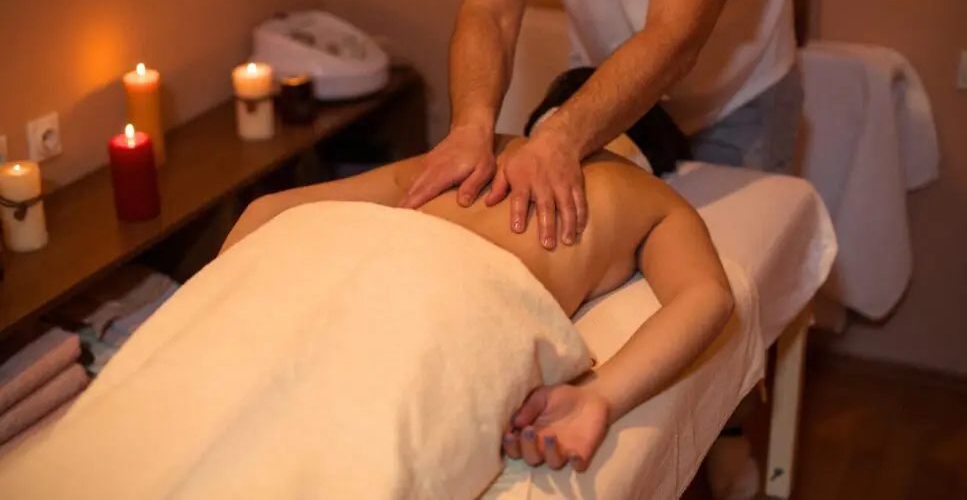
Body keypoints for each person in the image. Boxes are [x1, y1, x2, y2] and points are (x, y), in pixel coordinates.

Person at [222, 127, 733, 470]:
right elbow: (706, 295)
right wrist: (600, 395)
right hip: (449, 304)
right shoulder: (649, 193)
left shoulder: (478, 153)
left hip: (348, 269)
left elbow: (265, 210)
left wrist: (212, 302)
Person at [400, 0, 800, 250]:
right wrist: (469, 128)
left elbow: (674, 37)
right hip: (613, 85)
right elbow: (490, 10)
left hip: (738, 93)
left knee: (726, 257)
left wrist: (558, 138)